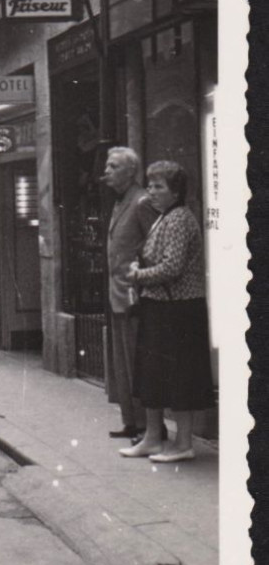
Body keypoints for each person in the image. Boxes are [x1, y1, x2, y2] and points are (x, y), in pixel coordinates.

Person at [120, 161, 215, 463]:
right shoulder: (164, 218)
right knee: (154, 374)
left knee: (179, 376)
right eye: (149, 185)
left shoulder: (178, 219)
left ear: (176, 191)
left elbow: (172, 267)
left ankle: (183, 443)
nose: (151, 191)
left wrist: (137, 276)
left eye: (159, 186)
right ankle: (152, 439)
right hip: (161, 306)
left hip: (178, 309)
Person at [102, 146, 159, 440]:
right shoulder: (120, 201)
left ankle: (149, 426)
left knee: (137, 361)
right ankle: (132, 421)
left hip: (134, 293)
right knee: (122, 362)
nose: (106, 171)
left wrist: (141, 278)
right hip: (118, 293)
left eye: (113, 166)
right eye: (107, 166)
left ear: (130, 171)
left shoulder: (141, 201)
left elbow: (153, 244)